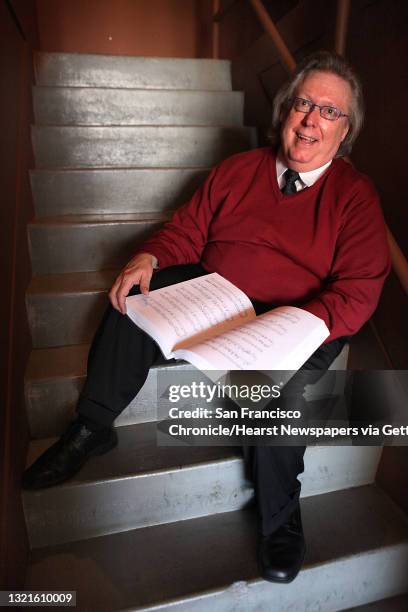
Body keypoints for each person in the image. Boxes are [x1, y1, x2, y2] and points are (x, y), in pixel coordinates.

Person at [22, 51, 390, 583]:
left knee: (279, 398)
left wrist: (293, 331)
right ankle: (91, 426)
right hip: (219, 295)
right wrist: (150, 255)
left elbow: (357, 292)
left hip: (301, 316)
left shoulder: (356, 197)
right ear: (286, 110)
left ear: (345, 131)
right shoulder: (239, 169)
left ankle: (279, 519)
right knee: (135, 305)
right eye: (304, 104)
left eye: (329, 112)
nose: (311, 120)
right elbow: (188, 232)